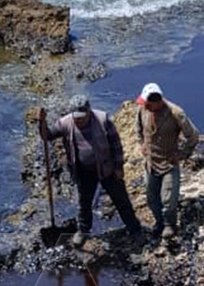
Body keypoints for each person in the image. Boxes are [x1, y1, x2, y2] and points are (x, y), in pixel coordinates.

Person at [39, 94, 142, 248]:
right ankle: (83, 231)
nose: (79, 120)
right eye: (76, 117)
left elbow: (116, 145)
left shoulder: (103, 120)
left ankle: (135, 230)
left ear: (89, 112)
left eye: (82, 116)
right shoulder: (66, 123)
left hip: (107, 168)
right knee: (84, 203)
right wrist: (41, 123)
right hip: (83, 171)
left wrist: (119, 167)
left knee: (122, 201)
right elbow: (47, 136)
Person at [136, 82, 200, 240]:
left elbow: (193, 136)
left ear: (157, 101)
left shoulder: (175, 113)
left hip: (169, 163)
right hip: (150, 163)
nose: (145, 106)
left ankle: (169, 224)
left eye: (148, 103)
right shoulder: (143, 109)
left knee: (168, 199)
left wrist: (182, 154)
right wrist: (142, 144)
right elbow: (138, 128)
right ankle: (159, 222)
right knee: (151, 198)